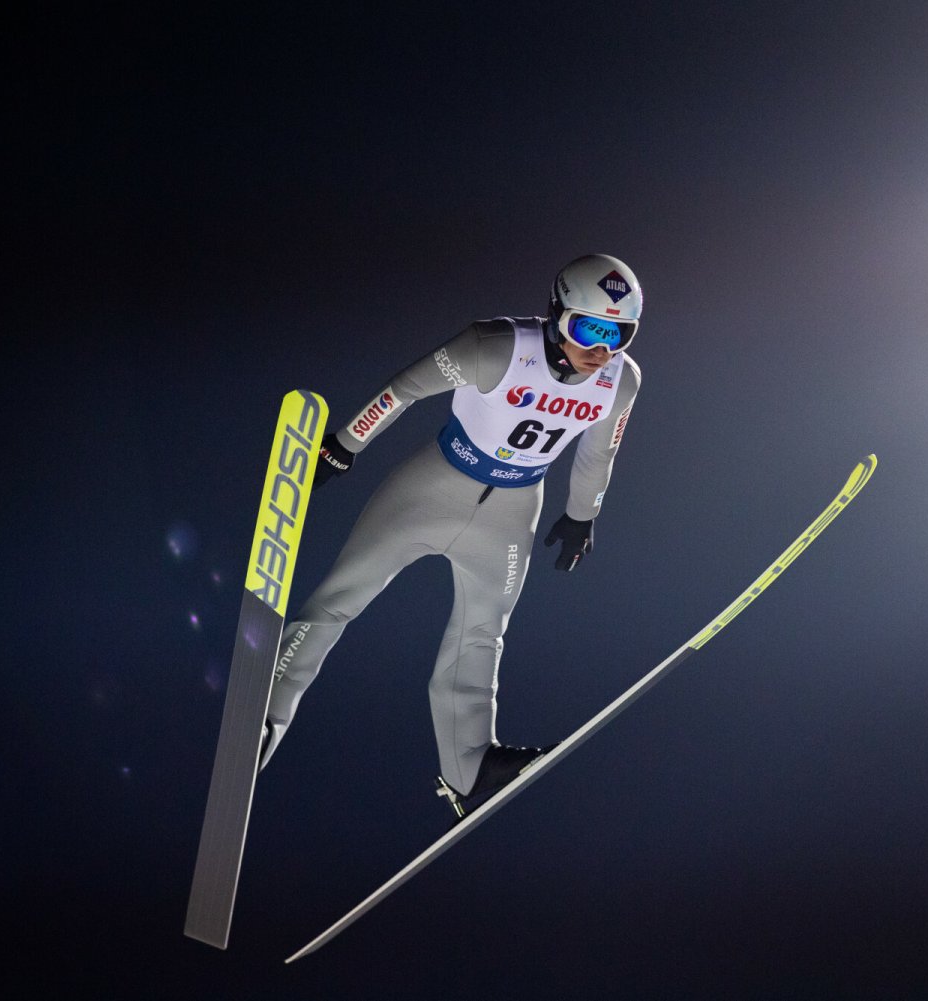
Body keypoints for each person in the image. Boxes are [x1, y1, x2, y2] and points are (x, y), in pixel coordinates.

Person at [259, 253, 643, 822]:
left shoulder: (621, 381)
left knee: (482, 633)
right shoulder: (496, 346)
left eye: (619, 334)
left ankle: (469, 765)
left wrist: (582, 515)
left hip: (513, 513)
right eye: (590, 328)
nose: (601, 349)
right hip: (432, 488)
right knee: (342, 597)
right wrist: (345, 445)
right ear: (557, 313)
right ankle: (267, 711)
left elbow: (597, 456)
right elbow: (404, 388)